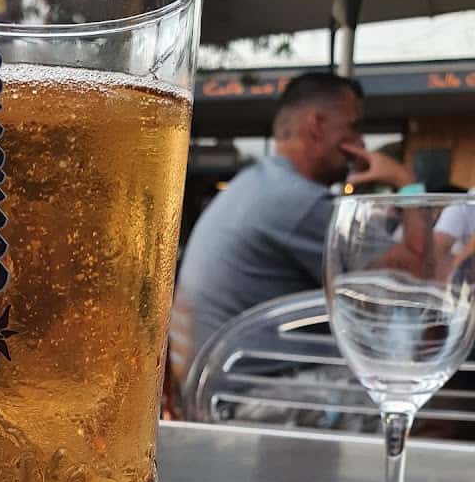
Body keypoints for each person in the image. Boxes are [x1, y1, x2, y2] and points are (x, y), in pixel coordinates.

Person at [170, 72, 418, 385]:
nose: (362, 143)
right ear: (316, 127)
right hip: (247, 401)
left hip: (213, 383)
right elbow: (415, 281)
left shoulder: (256, 185)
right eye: (353, 128)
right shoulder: (298, 203)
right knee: (439, 390)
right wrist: (406, 182)